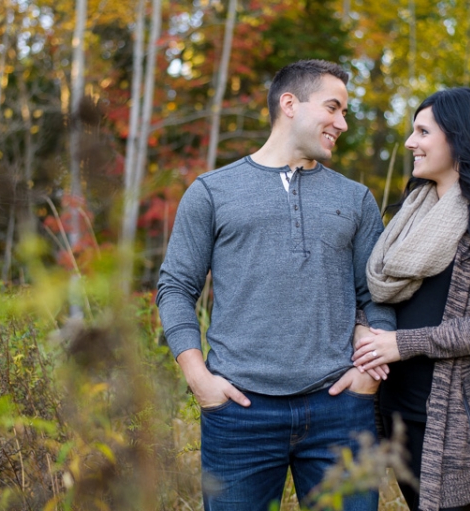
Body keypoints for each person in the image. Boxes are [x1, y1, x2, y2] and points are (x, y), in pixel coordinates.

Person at [156, 59, 396, 510]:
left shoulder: (356, 198)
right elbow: (174, 288)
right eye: (333, 108)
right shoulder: (211, 191)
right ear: (290, 104)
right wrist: (198, 379)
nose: (341, 123)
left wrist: (366, 376)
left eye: (345, 112)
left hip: (340, 409)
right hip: (239, 412)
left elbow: (377, 294)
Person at [352, 87, 470, 511]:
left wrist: (404, 344)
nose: (409, 143)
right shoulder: (408, 214)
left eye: (422, 131)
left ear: (458, 136)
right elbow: (376, 292)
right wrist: (365, 327)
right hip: (387, 407)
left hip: (453, 420)